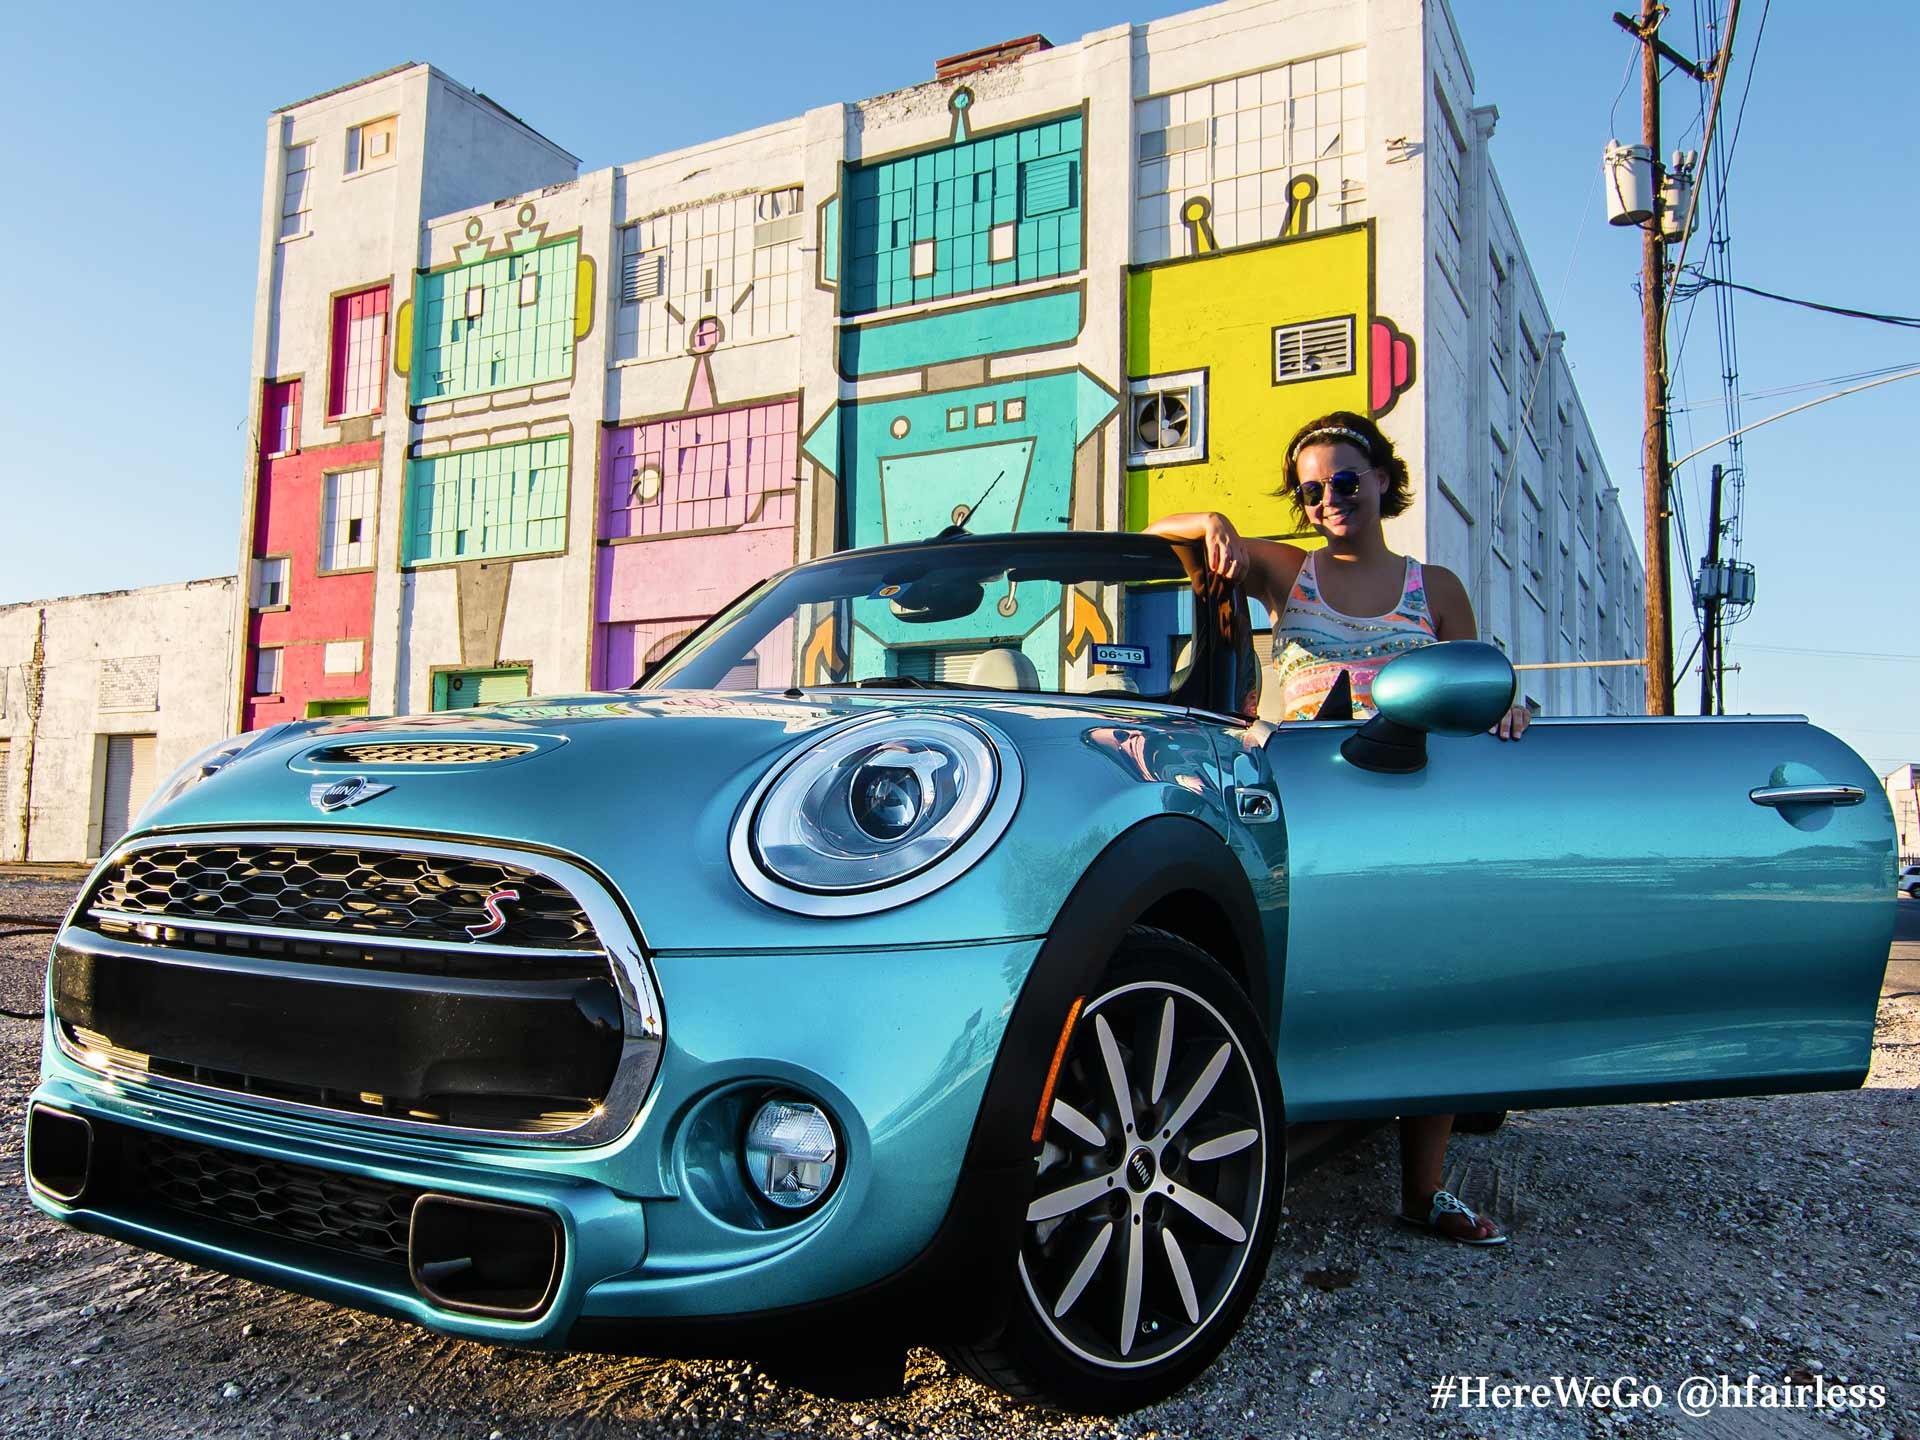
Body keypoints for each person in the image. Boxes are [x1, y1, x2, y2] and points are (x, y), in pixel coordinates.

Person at [1146, 409, 1526, 1245]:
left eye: (1345, 481)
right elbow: (1149, 536)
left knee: (1433, 990)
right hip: (1302, 814)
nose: (1328, 500)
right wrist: (1210, 523)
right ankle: (1241, 1180)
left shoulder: (1439, 588)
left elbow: (1481, 685)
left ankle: (1425, 1195)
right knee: (1284, 984)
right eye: (1311, 488)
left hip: (1414, 814)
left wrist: (1511, 707)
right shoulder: (1289, 570)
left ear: (1384, 479)